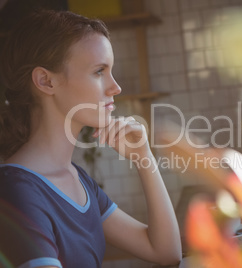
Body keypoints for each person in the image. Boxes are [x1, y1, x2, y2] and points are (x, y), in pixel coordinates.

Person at [0, 9, 182, 268]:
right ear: (45, 81)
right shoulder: (15, 191)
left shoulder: (78, 180)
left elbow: (165, 251)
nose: (115, 87)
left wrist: (144, 157)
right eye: (99, 71)